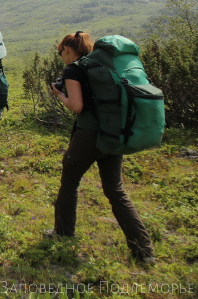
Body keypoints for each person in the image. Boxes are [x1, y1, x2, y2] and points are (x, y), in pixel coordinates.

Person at [49, 31, 155, 262]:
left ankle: (63, 233)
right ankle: (143, 250)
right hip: (114, 133)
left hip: (90, 135)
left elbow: (76, 106)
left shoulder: (74, 69)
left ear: (67, 49)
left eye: (60, 53)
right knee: (115, 191)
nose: (62, 58)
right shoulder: (102, 66)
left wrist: (59, 94)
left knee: (69, 183)